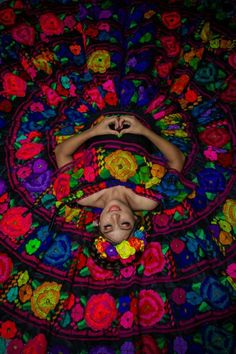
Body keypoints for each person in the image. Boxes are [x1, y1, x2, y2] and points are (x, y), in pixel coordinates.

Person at [55, 114, 186, 248]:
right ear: (135, 220)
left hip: (97, 118)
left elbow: (61, 153)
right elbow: (177, 159)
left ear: (98, 223)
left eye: (107, 226)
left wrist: (94, 131)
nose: (115, 217)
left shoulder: (82, 195)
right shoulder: (149, 199)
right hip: (144, 117)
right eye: (125, 224)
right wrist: (144, 131)